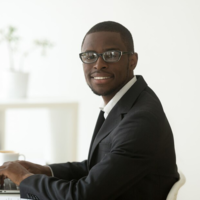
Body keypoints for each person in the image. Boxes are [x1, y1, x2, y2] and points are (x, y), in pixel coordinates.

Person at [0, 21, 179, 200]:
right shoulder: (127, 103)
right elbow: (100, 167)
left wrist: (24, 178)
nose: (98, 64)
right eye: (90, 55)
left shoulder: (140, 120)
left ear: (132, 61)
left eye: (111, 54)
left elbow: (83, 196)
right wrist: (46, 170)